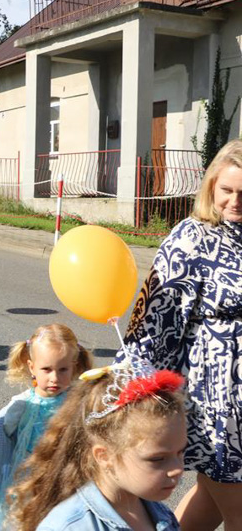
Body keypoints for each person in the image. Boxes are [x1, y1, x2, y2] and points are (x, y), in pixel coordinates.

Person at [123, 139, 242, 530]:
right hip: (218, 403)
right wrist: (134, 384)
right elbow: (157, 316)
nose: (235, 201)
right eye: (227, 190)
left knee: (211, 497)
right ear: (211, 187)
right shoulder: (191, 237)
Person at [9, 363, 187, 531]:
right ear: (104, 456)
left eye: (181, 452)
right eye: (157, 459)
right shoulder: (69, 526)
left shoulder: (158, 512)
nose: (178, 469)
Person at [0, 324, 93, 530]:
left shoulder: (76, 404)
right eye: (46, 369)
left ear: (74, 366)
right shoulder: (23, 403)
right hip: (24, 484)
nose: (54, 377)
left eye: (63, 369)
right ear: (32, 367)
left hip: (60, 485)